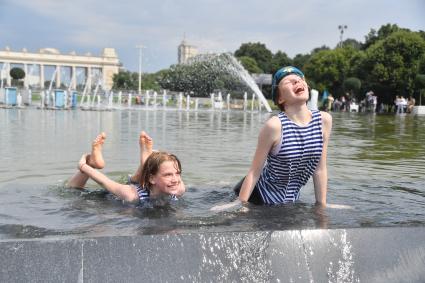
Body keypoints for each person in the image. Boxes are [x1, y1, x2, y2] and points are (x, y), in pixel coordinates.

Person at [212, 66, 332, 211]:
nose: (297, 81)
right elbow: (254, 172)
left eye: (300, 79)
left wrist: (321, 206)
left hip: (290, 201)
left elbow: (320, 169)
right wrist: (240, 204)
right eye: (290, 82)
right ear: (280, 98)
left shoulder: (323, 120)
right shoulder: (274, 126)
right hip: (257, 197)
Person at [67, 131, 185, 204]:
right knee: (72, 191)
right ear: (152, 178)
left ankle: (145, 163)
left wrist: (162, 158)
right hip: (108, 196)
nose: (175, 179)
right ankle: (91, 163)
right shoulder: (132, 195)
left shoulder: (177, 189)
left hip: (145, 182)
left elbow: (172, 168)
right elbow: (104, 182)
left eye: (178, 173)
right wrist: (83, 166)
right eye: (168, 175)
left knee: (137, 180)